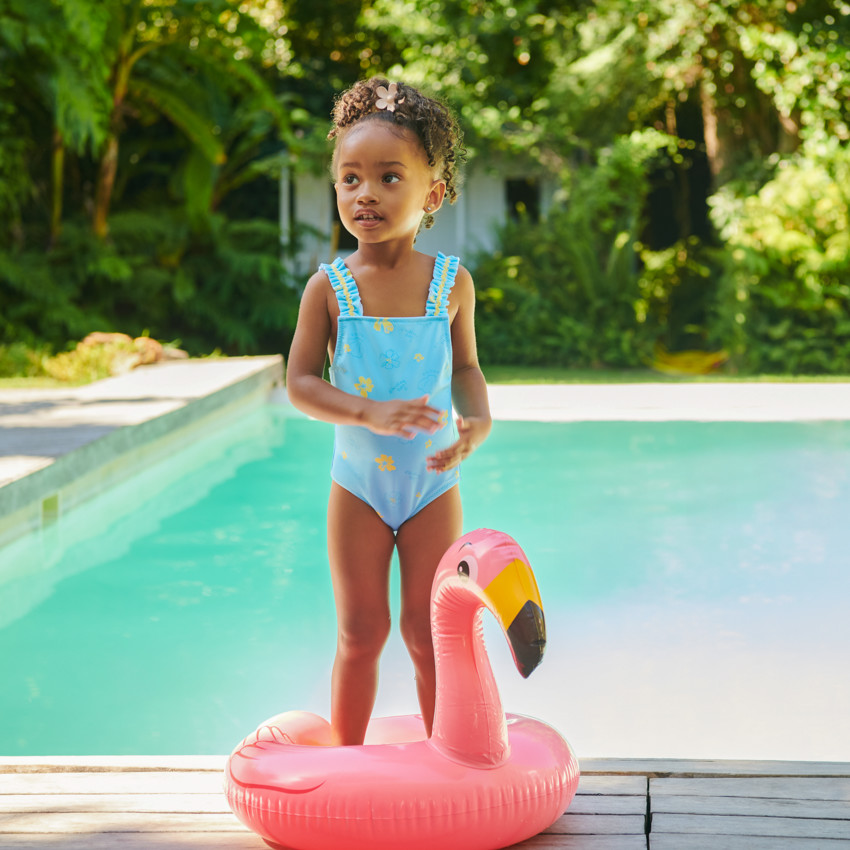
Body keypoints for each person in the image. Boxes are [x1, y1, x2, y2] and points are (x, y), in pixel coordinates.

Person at [286, 77, 492, 746]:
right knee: (362, 632)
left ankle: (445, 757)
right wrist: (366, 413)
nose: (364, 193)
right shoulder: (329, 288)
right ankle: (346, 760)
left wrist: (478, 420)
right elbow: (299, 383)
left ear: (432, 194)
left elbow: (465, 368)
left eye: (387, 177)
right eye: (349, 179)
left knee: (431, 632)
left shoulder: (451, 284)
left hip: (432, 484)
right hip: (359, 489)